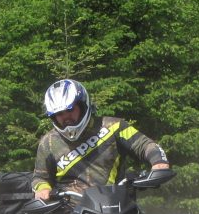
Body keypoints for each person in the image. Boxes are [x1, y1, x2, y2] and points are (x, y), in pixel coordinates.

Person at [30, 79, 171, 200]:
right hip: (68, 213)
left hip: (117, 206)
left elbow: (145, 145)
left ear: (82, 105)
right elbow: (40, 177)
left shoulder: (115, 126)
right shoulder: (48, 142)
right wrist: (42, 189)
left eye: (70, 109)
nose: (66, 116)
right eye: (59, 113)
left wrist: (158, 162)